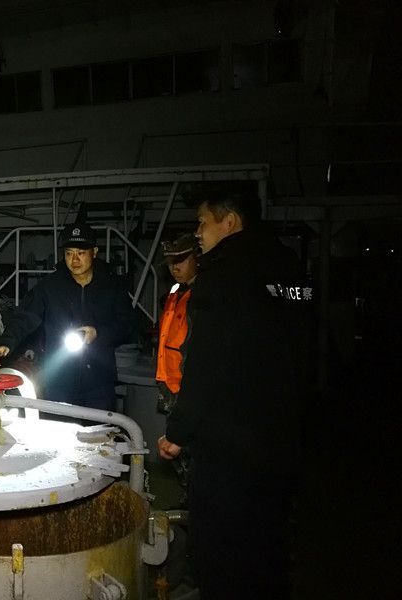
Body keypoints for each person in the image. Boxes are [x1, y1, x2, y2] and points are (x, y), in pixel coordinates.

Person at [158, 192, 312, 599]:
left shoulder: (223, 275)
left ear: (229, 222)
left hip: (230, 445)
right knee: (269, 543)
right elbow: (303, 345)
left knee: (223, 552)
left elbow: (206, 362)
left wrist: (178, 430)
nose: (198, 232)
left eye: (203, 222)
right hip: (280, 436)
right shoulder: (290, 269)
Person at [0, 223, 137, 411]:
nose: (74, 260)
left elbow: (127, 324)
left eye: (81, 253)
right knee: (59, 427)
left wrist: (99, 333)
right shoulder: (49, 286)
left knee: (102, 429)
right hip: (59, 381)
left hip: (99, 381)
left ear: (94, 252)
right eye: (69, 253)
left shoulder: (112, 286)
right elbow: (26, 317)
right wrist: (6, 342)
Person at [155, 232, 198, 500]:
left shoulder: (203, 296)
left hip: (190, 387)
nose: (175, 267)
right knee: (178, 452)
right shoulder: (174, 292)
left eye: (181, 260)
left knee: (190, 448)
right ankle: (188, 497)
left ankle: (195, 502)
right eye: (171, 261)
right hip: (170, 384)